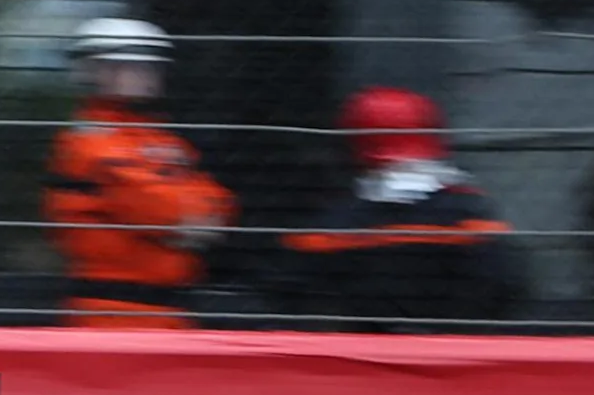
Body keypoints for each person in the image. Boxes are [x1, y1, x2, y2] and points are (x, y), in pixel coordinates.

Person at [45, 17, 236, 327]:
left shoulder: (160, 138)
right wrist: (185, 212)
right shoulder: (90, 143)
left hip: (168, 310)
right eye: (133, 66)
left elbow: (221, 205)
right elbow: (167, 213)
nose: (146, 76)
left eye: (152, 67)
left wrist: (188, 216)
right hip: (113, 312)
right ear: (96, 71)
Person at [281, 87, 523, 329]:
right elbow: (506, 282)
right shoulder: (465, 214)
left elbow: (292, 290)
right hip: (454, 350)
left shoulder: (335, 226)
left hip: (361, 353)